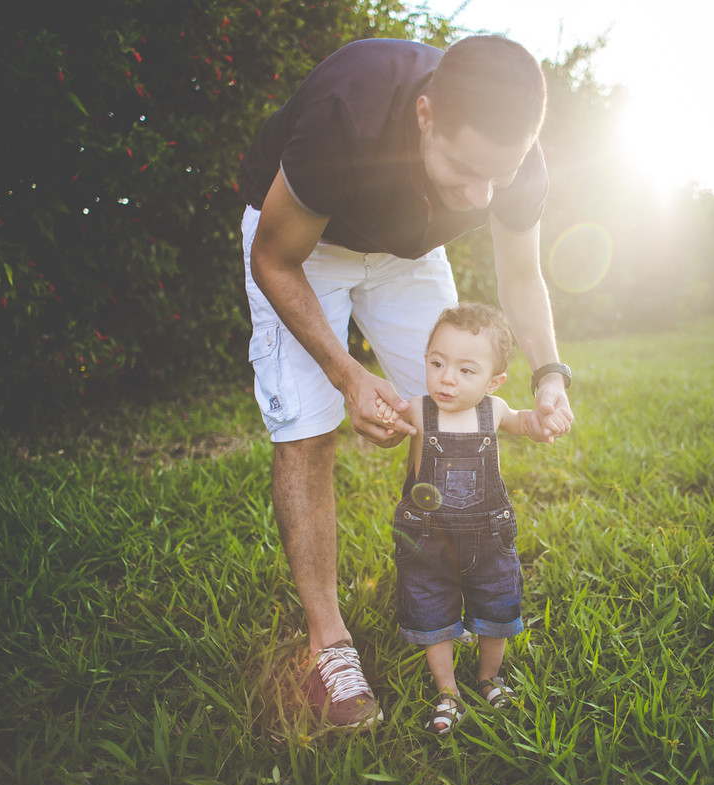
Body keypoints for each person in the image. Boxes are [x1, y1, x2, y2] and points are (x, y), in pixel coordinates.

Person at [239, 34, 574, 728]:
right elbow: (274, 258)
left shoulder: (518, 164)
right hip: (303, 243)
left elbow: (519, 275)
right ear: (424, 115)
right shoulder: (347, 117)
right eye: (465, 168)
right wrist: (348, 375)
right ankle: (329, 642)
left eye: (498, 175)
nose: (481, 195)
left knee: (448, 409)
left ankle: (425, 583)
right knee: (308, 427)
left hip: (406, 250)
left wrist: (550, 373)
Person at [381, 304, 551, 734]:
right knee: (432, 609)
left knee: (496, 604)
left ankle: (489, 678)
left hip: (488, 539)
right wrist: (383, 421)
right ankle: (448, 692)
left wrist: (544, 421)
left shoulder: (493, 411)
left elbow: (524, 422)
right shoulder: (419, 410)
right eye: (437, 363)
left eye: (466, 370)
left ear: (494, 382)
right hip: (428, 541)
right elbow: (388, 428)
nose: (447, 378)